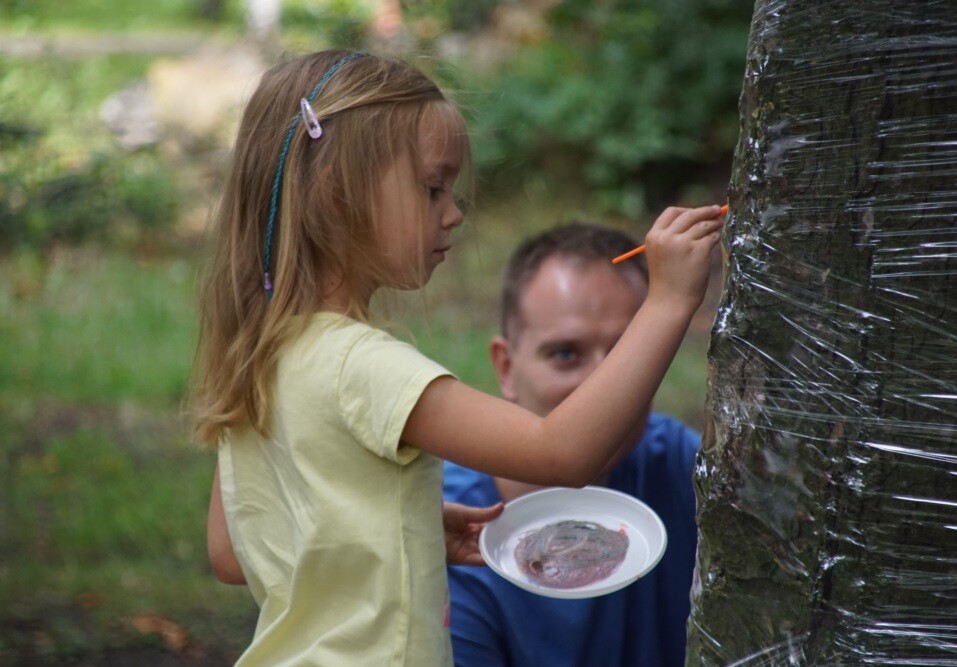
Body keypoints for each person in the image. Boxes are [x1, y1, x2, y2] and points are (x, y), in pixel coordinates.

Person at [189, 47, 722, 667]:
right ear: (336, 195)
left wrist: (398, 529)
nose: (454, 213)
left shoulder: (264, 356)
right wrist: (668, 301)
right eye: (432, 188)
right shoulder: (364, 365)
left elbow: (233, 552)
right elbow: (563, 453)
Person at [443, 223, 702, 667]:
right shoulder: (449, 531)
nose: (603, 386)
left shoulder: (682, 466)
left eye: (627, 353)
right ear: (505, 368)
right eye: (565, 354)